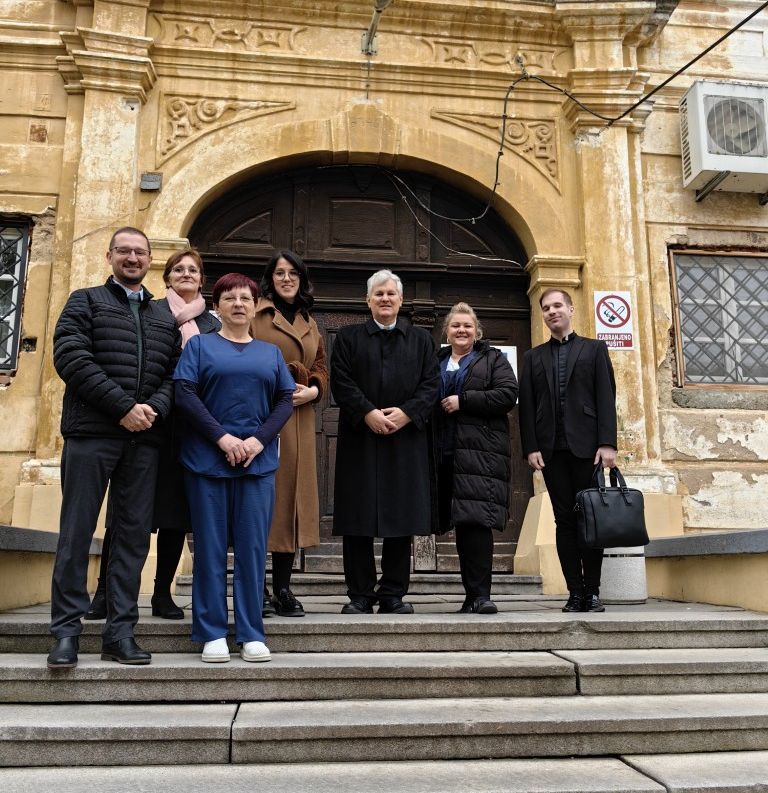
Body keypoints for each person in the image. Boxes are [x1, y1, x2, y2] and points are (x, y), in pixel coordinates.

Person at [47, 227, 181, 669]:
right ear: (109, 256)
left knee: (131, 539)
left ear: (149, 261)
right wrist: (123, 407)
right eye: (124, 250)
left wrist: (151, 410)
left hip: (144, 442)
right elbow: (71, 358)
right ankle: (66, 632)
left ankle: (120, 634)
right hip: (92, 436)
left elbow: (174, 376)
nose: (132, 257)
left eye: (140, 252)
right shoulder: (84, 301)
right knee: (76, 534)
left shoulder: (165, 318)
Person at [85, 248, 220, 622]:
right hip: (145, 424)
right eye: (179, 269)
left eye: (193, 270)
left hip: (189, 430)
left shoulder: (213, 324)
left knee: (176, 515)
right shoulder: (150, 310)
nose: (186, 274)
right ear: (167, 276)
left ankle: (163, 594)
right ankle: (104, 593)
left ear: (201, 279)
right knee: (126, 513)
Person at [173, 273, 294, 663]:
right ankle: (211, 632)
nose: (239, 304)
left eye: (246, 298)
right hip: (208, 461)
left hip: (256, 466)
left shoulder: (270, 354)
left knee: (252, 549)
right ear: (218, 305)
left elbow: (285, 400)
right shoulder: (199, 347)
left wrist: (258, 441)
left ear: (255, 305)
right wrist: (222, 439)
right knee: (209, 548)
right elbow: (185, 395)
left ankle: (250, 631)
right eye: (230, 298)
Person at [331, 269, 440, 615]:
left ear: (401, 300)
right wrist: (368, 413)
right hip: (361, 438)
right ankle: (360, 594)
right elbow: (342, 382)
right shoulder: (348, 338)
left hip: (405, 440)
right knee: (358, 517)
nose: (385, 299)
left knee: (401, 517)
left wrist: (406, 414)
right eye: (378, 294)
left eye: (391, 294)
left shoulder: (422, 340)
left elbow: (431, 384)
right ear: (367, 300)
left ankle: (393, 593)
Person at [518, 288, 617, 613]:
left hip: (588, 449)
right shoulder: (533, 357)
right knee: (565, 522)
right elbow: (527, 407)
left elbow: (606, 397)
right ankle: (575, 592)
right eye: (546, 308)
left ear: (571, 309)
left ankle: (593, 591)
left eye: (557, 305)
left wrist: (607, 443)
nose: (551, 311)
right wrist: (530, 446)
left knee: (591, 520)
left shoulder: (594, 349)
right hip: (551, 452)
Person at [252, 250, 327, 617]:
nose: (286, 278)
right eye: (279, 273)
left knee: (291, 504)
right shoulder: (255, 314)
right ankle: (256, 588)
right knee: (261, 501)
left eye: (292, 272)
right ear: (270, 278)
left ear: (301, 278)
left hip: (300, 420)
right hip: (263, 416)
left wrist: (314, 388)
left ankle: (283, 588)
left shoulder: (310, 321)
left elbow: (320, 367)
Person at [435, 303, 518, 615]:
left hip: (481, 455)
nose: (461, 330)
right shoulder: (437, 361)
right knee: (459, 524)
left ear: (477, 331)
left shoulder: (492, 358)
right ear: (447, 331)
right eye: (455, 325)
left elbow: (507, 395)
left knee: (476, 525)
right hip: (445, 452)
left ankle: (482, 595)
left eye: (467, 326)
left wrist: (464, 400)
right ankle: (469, 596)